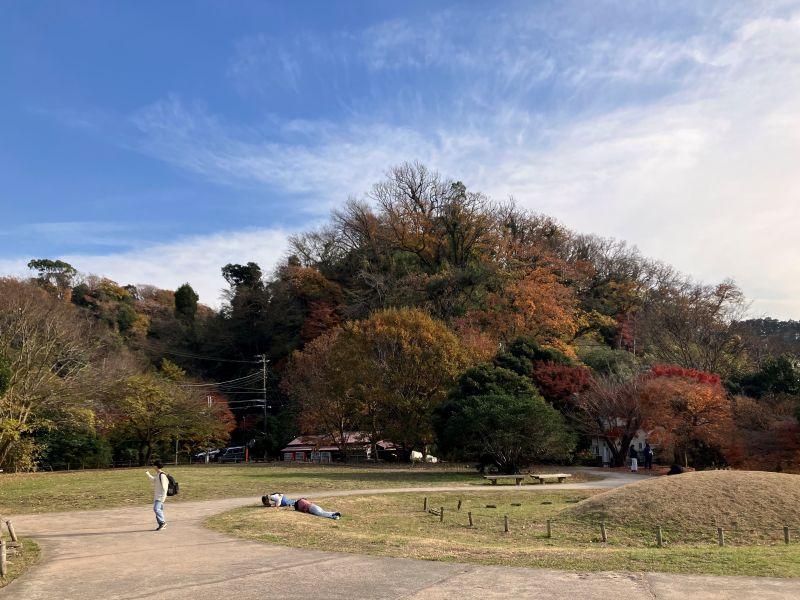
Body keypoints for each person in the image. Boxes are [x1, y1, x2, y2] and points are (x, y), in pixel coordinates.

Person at [262, 493, 341, 520]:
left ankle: (334, 516)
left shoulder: (301, 503)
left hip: (312, 507)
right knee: (322, 512)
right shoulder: (302, 502)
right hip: (313, 506)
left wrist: (272, 506)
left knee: (321, 513)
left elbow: (278, 503)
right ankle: (334, 513)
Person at [145, 461, 169, 531]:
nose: (153, 466)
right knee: (159, 510)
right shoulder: (158, 474)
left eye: (154, 465)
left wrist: (163, 497)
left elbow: (165, 487)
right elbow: (153, 480)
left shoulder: (162, 475)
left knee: (156, 509)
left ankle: (162, 522)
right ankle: (161, 524)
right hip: (157, 495)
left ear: (156, 466)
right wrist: (148, 474)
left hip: (160, 496)